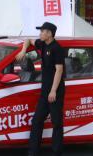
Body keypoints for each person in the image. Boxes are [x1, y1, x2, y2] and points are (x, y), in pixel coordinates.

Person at [15, 22, 65, 156]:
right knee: (37, 120)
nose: (40, 34)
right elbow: (28, 40)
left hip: (55, 91)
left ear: (49, 33)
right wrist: (23, 50)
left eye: (42, 31)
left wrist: (53, 90)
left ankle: (57, 151)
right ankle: (33, 151)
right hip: (45, 90)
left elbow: (59, 70)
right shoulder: (42, 44)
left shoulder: (56, 48)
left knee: (56, 123)